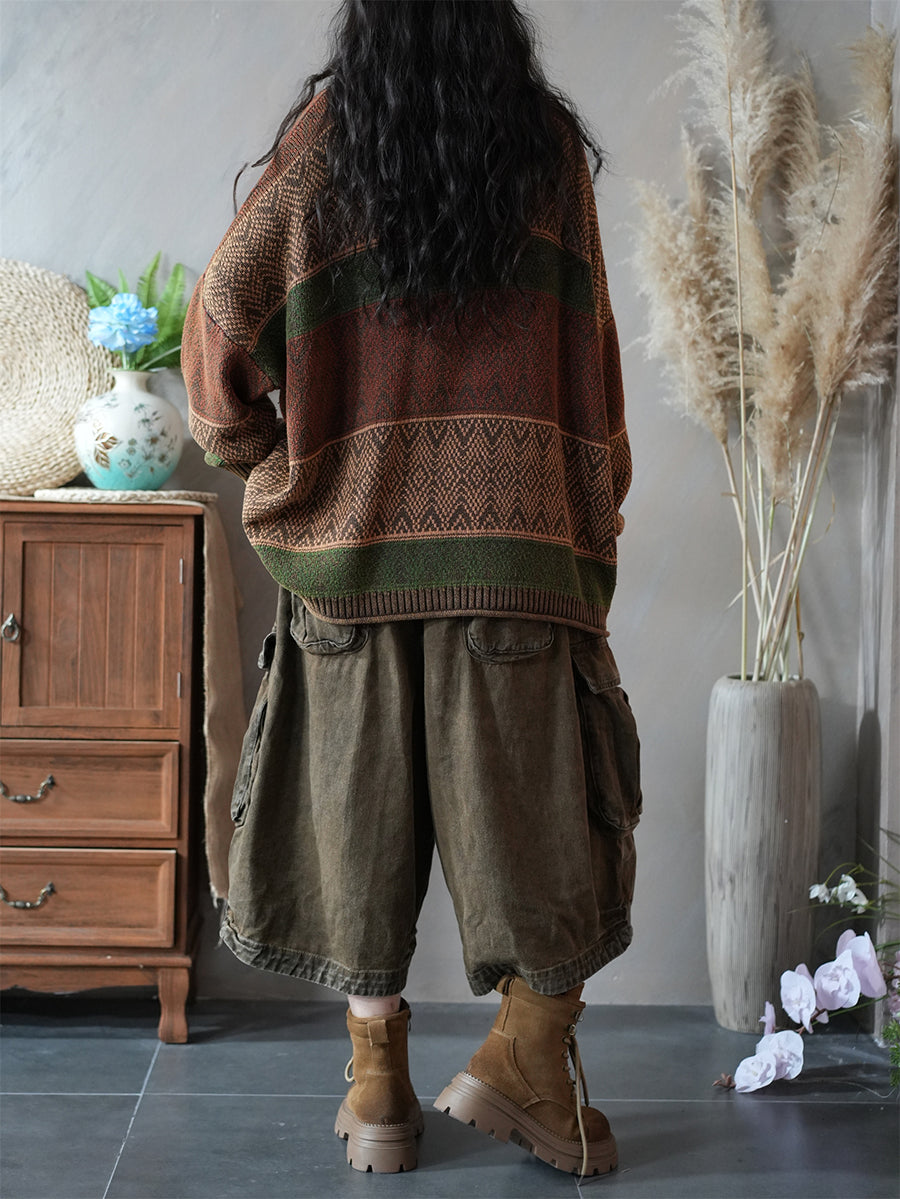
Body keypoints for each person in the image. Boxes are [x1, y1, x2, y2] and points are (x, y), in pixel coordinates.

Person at [183, 0, 640, 1179]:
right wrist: (583, 518)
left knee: (357, 842)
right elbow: (591, 369)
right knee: (549, 843)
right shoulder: (544, 154)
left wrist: (283, 472)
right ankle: (527, 1059)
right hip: (514, 567)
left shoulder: (325, 153)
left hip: (349, 573)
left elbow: (219, 337)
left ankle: (378, 1088)